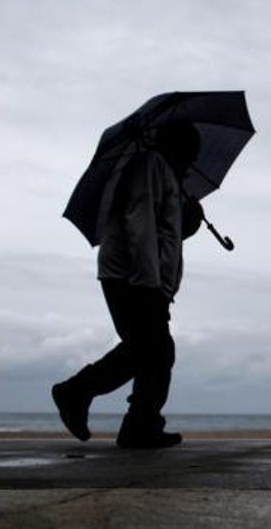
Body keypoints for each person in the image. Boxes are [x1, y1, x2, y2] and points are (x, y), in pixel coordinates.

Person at [52, 122, 202, 449]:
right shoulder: (150, 165)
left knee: (151, 350)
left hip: (142, 277)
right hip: (131, 276)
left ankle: (132, 421)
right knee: (154, 349)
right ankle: (88, 398)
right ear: (178, 146)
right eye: (192, 151)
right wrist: (149, 283)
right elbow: (140, 222)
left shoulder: (167, 176)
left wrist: (186, 223)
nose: (193, 161)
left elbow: (164, 232)